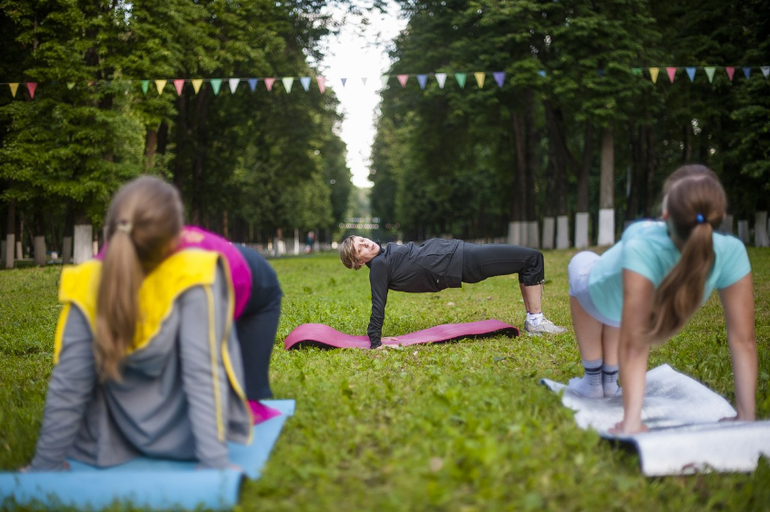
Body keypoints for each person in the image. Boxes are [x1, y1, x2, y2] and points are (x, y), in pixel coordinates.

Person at [27, 176, 277, 471]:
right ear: (177, 237)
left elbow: (70, 382)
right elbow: (203, 373)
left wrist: (46, 463)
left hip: (109, 439)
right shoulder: (194, 276)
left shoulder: (88, 280)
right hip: (185, 442)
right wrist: (214, 462)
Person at [566, 165, 757, 435]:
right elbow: (743, 340)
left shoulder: (642, 239)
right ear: (720, 216)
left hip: (601, 298)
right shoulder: (732, 250)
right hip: (623, 307)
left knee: (581, 261)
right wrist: (747, 416)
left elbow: (635, 341)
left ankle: (595, 380)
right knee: (618, 300)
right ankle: (607, 380)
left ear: (665, 214)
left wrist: (632, 424)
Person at [339, 236, 566, 349]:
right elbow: (378, 303)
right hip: (459, 262)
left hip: (458, 253)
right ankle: (535, 321)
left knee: (527, 260)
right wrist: (376, 341)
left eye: (362, 240)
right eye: (360, 249)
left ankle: (534, 319)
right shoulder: (379, 266)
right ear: (359, 263)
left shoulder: (384, 252)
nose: (365, 244)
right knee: (532, 258)